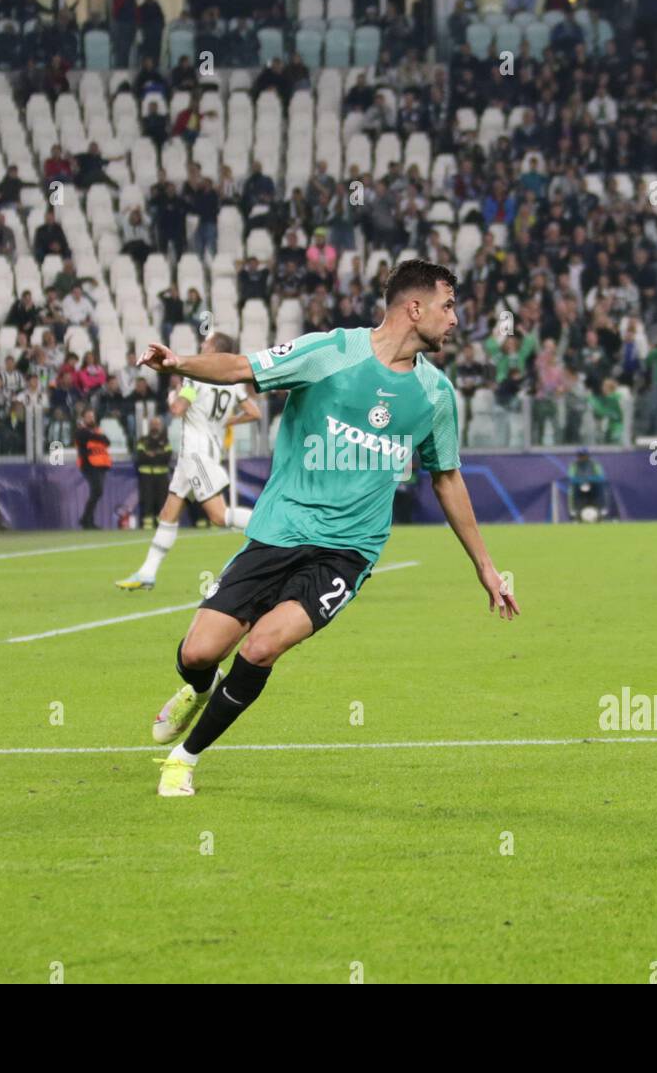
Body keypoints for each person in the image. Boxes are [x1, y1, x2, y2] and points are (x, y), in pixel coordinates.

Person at [136, 258, 519, 798]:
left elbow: (448, 479)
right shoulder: (331, 352)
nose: (455, 319)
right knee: (199, 653)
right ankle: (197, 689)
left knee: (262, 646)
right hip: (278, 530)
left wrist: (485, 566)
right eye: (448, 305)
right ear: (414, 308)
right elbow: (244, 368)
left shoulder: (435, 395)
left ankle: (185, 757)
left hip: (346, 552)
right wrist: (179, 365)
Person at [115, 333, 261, 591]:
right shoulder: (232, 381)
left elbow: (178, 409)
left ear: (214, 348)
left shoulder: (195, 377)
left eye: (207, 342)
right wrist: (227, 422)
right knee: (168, 514)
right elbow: (254, 412)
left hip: (196, 454)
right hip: (197, 455)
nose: (202, 345)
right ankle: (147, 572)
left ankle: (273, 528)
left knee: (218, 515)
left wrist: (173, 397)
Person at [133, 416, 173, 531]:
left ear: (160, 426)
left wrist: (152, 455)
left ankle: (161, 524)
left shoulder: (165, 440)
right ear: (150, 426)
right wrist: (158, 455)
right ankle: (147, 524)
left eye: (157, 424)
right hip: (146, 475)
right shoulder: (142, 440)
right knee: (147, 499)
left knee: (162, 500)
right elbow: (141, 457)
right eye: (153, 424)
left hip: (162, 475)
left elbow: (167, 457)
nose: (155, 426)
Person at [76, 409, 112, 530]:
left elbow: (107, 441)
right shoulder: (81, 431)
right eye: (88, 417)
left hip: (101, 464)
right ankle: (86, 519)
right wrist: (97, 437)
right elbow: (88, 437)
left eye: (92, 416)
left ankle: (87, 519)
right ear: (83, 419)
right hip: (89, 465)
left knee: (97, 492)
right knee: (97, 490)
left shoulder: (97, 430)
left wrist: (97, 436)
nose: (91, 419)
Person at [566, 448, 608, 520]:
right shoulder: (574, 465)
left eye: (584, 455)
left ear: (588, 456)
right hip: (578, 486)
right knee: (571, 490)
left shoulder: (595, 464)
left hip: (594, 486)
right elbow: (571, 477)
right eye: (580, 455)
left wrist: (590, 479)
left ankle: (602, 509)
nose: (582, 457)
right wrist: (581, 480)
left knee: (602, 488)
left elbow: (601, 476)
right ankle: (573, 510)